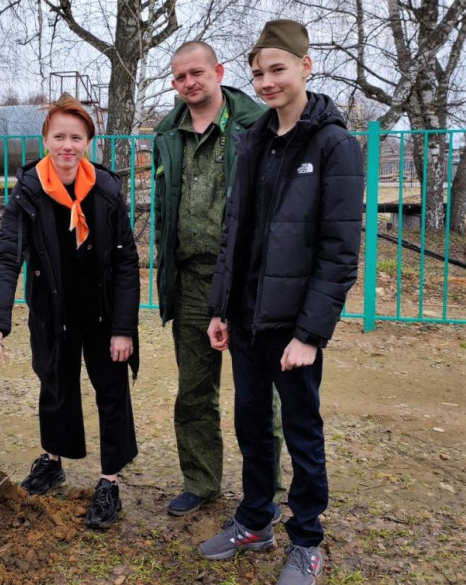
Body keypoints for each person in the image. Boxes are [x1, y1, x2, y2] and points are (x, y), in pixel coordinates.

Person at [198, 20, 364, 585]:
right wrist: (221, 308)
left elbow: (340, 252)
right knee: (250, 422)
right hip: (245, 318)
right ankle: (255, 518)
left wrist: (310, 336)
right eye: (258, 73)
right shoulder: (252, 140)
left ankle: (307, 540)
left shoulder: (335, 144)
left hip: (293, 327)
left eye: (278, 69)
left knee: (301, 429)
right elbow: (234, 231)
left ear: (305, 66)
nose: (267, 82)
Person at [0, 94, 140, 529]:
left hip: (102, 313)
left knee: (112, 391)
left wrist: (123, 328)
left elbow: (125, 261)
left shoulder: (106, 190)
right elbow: (8, 257)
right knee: (55, 384)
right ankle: (53, 461)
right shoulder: (28, 191)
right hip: (53, 308)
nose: (68, 145)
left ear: (88, 142)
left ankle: (109, 481)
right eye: (59, 136)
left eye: (76, 137)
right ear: (45, 138)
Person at [153, 40, 286, 517]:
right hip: (191, 279)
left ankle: (265, 490)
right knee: (194, 390)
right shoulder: (168, 133)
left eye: (196, 73)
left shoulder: (256, 125)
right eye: (180, 77)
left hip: (246, 280)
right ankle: (201, 480)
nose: (189, 83)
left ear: (218, 71)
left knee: (258, 394)